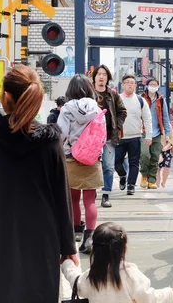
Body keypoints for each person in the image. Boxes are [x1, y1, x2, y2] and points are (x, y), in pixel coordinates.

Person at [0, 65, 77, 303]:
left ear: (6, 97)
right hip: (41, 241)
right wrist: (69, 247)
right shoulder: (50, 142)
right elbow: (62, 199)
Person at [61, 222, 173, 303]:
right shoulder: (130, 275)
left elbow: (76, 281)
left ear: (95, 250)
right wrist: (168, 293)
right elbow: (149, 298)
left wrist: (67, 263)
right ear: (124, 250)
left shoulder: (92, 276)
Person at [58, 74, 105, 253]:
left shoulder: (66, 109)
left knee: (73, 198)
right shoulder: (96, 108)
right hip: (92, 157)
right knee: (90, 199)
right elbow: (102, 134)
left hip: (71, 156)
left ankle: (76, 231)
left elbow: (61, 132)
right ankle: (89, 237)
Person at [94, 64, 127, 208]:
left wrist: (117, 125)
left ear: (108, 78)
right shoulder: (88, 93)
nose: (101, 77)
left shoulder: (112, 94)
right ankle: (91, 191)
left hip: (108, 136)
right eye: (99, 74)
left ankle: (106, 194)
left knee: (108, 166)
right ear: (94, 76)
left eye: (104, 74)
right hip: (91, 137)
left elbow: (122, 111)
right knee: (92, 165)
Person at [115, 74, 153, 196]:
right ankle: (122, 175)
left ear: (136, 85)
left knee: (134, 162)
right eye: (127, 82)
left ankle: (131, 185)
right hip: (120, 137)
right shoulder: (117, 99)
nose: (130, 84)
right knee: (117, 162)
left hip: (135, 136)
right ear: (123, 84)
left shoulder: (140, 100)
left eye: (133, 82)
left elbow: (147, 118)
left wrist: (149, 135)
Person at [141, 78, 172, 190]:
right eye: (151, 84)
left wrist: (167, 134)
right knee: (144, 155)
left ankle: (152, 180)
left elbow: (165, 117)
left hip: (157, 132)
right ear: (147, 86)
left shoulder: (161, 100)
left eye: (155, 84)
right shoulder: (141, 98)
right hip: (143, 131)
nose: (153, 86)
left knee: (155, 156)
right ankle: (144, 175)